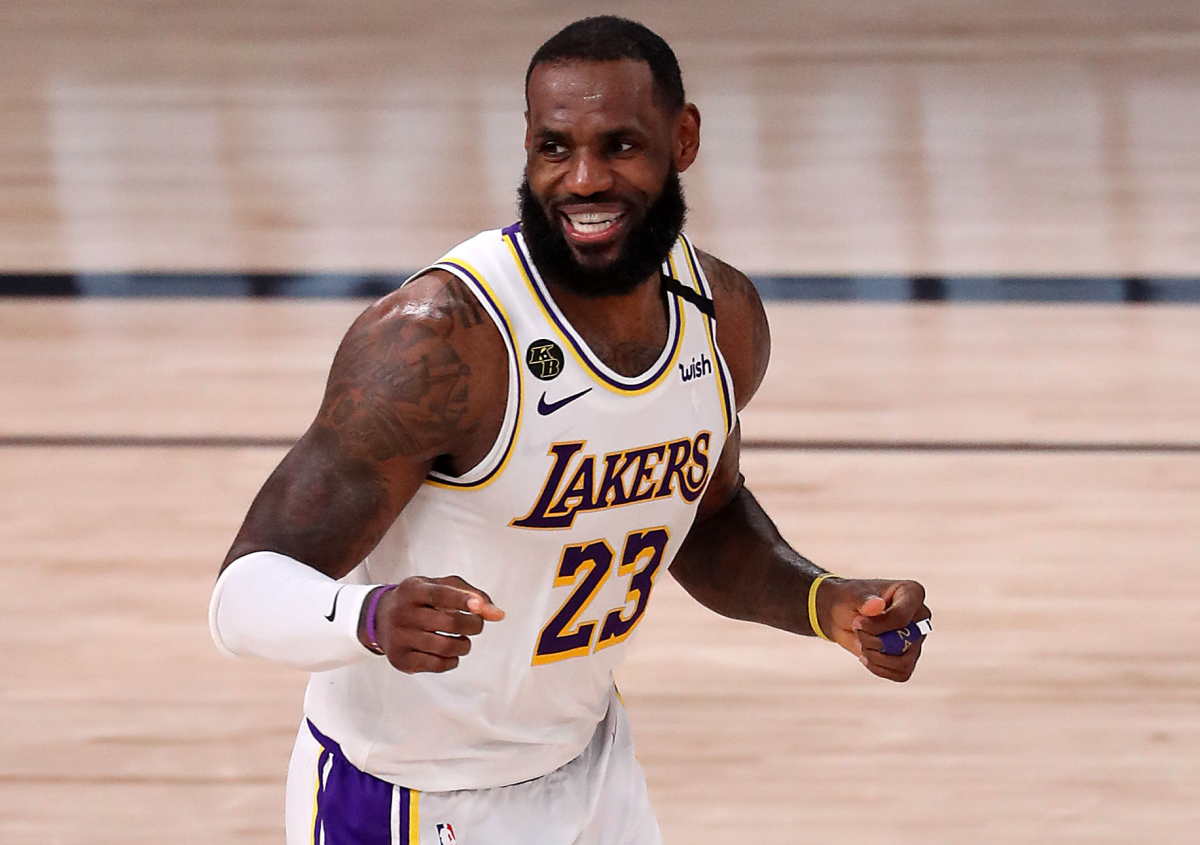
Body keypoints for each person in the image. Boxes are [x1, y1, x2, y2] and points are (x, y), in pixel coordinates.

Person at [208, 15, 931, 845]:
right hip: (411, 797)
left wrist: (826, 601)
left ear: (683, 137)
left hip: (594, 771)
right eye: (555, 147)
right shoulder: (441, 339)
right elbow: (242, 594)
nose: (584, 179)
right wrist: (366, 615)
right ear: (526, 144)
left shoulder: (720, 318)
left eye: (619, 146)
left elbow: (707, 519)